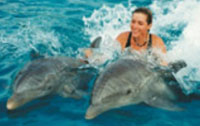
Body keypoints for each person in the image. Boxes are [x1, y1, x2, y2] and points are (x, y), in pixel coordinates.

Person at [85, 7, 167, 65]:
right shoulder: (123, 38)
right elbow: (108, 57)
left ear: (149, 25)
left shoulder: (156, 42)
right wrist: (93, 58)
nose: (134, 26)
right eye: (133, 22)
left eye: (140, 23)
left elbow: (164, 66)